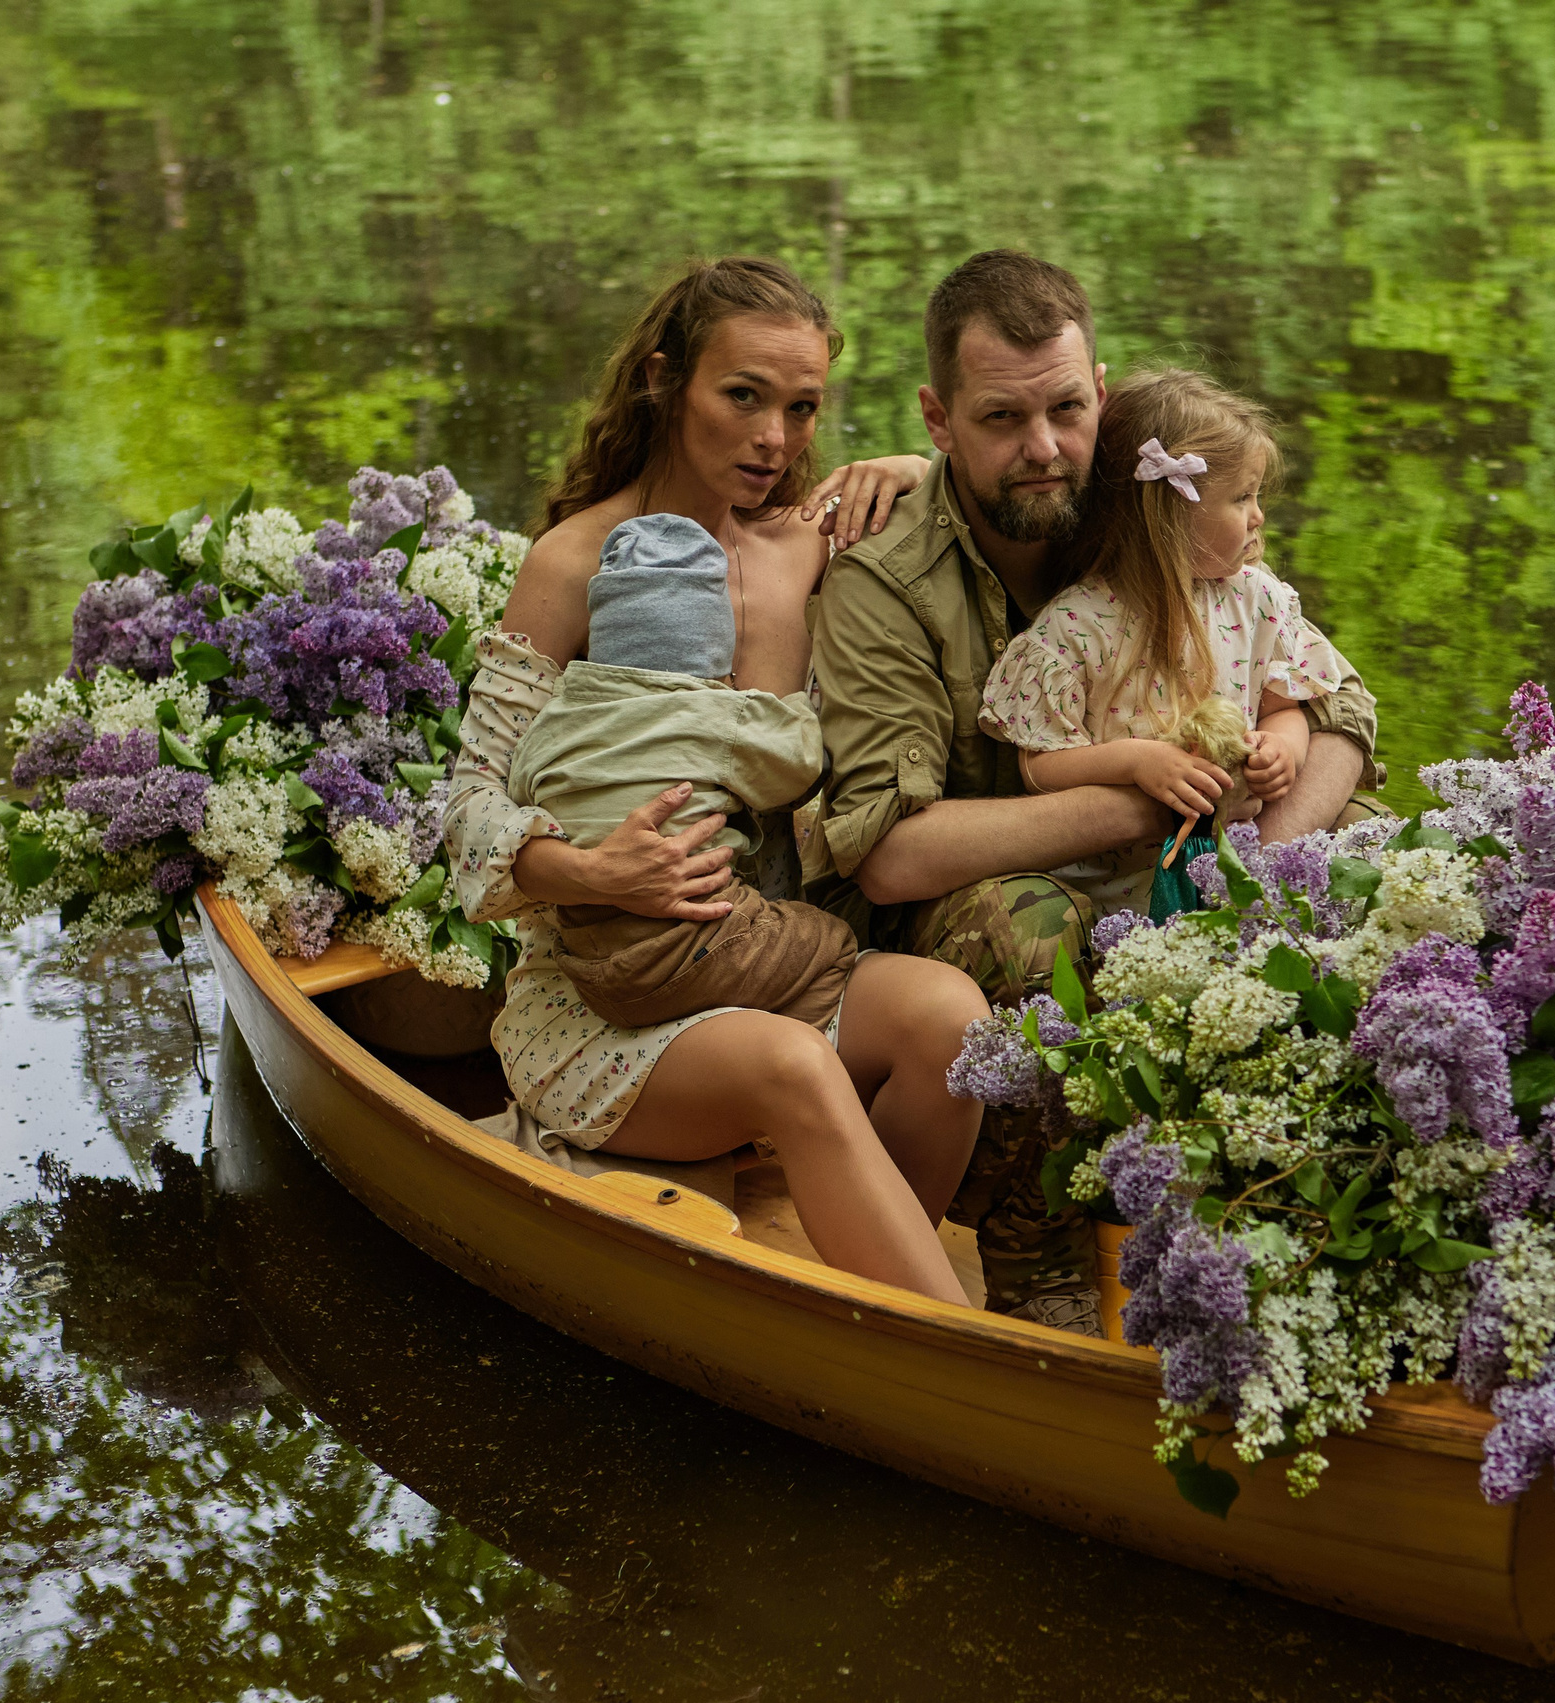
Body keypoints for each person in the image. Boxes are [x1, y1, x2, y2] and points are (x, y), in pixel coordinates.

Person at [804, 250, 1383, 1330]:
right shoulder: (884, 581)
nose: (1040, 450)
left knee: (1377, 843)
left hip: (1195, 860)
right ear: (937, 419)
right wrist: (1159, 802)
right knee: (1017, 927)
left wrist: (1257, 871)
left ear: (1101, 395)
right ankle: (1042, 1252)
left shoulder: (1152, 502)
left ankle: (1326, 1199)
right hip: (986, 902)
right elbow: (889, 851)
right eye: (998, 421)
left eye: (1066, 410)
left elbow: (1339, 705)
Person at [444, 256, 984, 1308]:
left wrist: (915, 470)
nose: (772, 439)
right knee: (788, 1066)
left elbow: (984, 492)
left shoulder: (814, 546)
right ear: (662, 380)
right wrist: (597, 870)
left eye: (800, 407)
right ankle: (965, 1360)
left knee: (955, 1023)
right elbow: (468, 811)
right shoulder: (574, 561)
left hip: (764, 959)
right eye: (741, 397)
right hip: (607, 1009)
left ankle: (874, 1315)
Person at [978, 369, 1358, 919]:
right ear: (1170, 516)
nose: (1259, 516)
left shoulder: (1257, 600)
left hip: (1234, 847)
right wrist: (1137, 762)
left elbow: (1283, 706)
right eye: (1242, 498)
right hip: (1115, 883)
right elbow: (1039, 766)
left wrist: (1284, 751)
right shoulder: (1077, 629)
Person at [506, 511, 856, 1031]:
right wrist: (798, 706)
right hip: (695, 945)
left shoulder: (556, 719)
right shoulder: (715, 714)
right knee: (833, 943)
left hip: (592, 968)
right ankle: (771, 1048)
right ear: (712, 651)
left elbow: (520, 789)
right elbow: (802, 767)